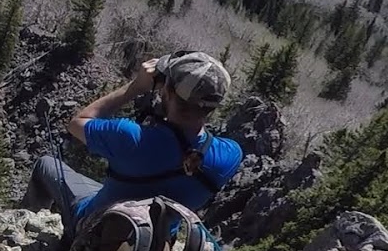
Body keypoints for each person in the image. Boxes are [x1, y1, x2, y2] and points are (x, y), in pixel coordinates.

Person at [23, 50, 243, 233]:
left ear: (166, 90)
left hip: (94, 228)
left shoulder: (130, 137)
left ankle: (27, 226)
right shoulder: (229, 156)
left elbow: (77, 123)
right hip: (153, 247)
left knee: (45, 163)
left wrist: (135, 87)